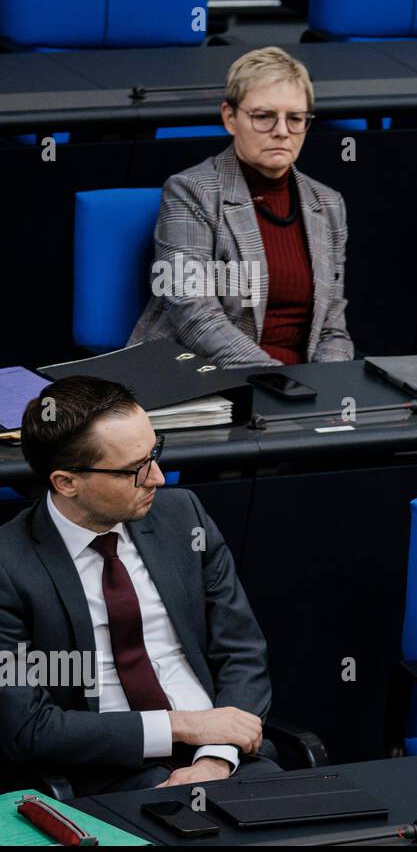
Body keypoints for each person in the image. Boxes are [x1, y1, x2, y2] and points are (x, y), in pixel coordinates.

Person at [0, 377, 277, 795]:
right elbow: (31, 728)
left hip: (227, 760)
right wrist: (181, 726)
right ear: (66, 482)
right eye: (135, 470)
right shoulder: (8, 565)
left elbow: (242, 653)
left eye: (155, 453)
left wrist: (215, 757)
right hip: (110, 773)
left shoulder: (184, 517)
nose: (159, 479)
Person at [129, 47, 353, 367]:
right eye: (263, 117)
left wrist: (328, 385)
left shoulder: (328, 204)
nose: (281, 131)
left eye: (295, 118)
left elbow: (333, 327)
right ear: (229, 117)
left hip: (300, 387)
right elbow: (194, 314)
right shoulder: (191, 192)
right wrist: (277, 381)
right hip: (205, 373)